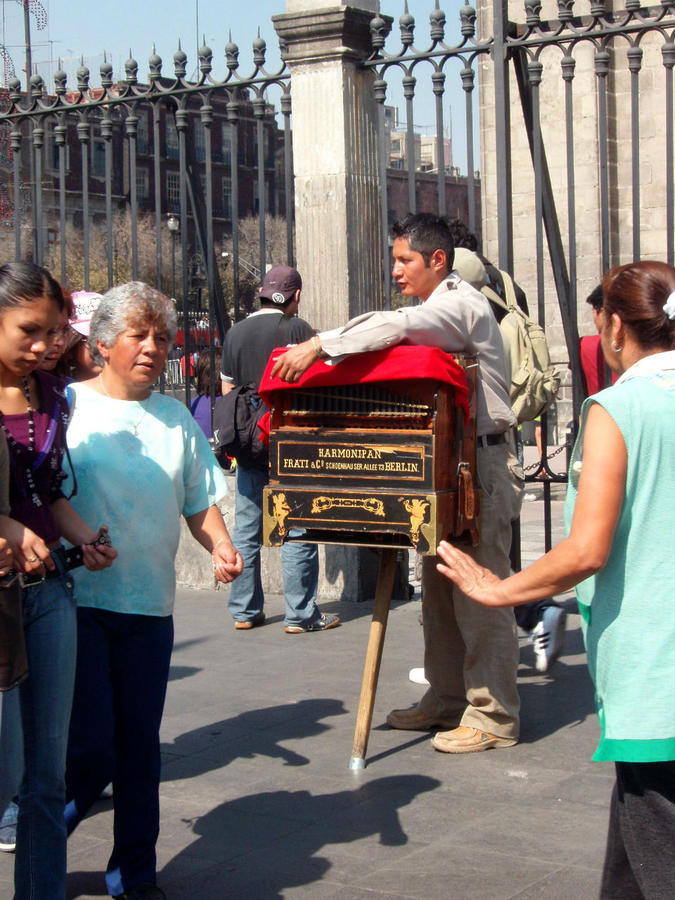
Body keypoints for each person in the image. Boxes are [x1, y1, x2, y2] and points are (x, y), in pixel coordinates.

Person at [435, 260, 675, 895]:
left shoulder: (619, 409)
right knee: (634, 847)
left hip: (657, 676)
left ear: (617, 326)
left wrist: (498, 590)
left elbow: (587, 550)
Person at [272, 214, 522, 753]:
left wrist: (319, 344)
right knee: (438, 592)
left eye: (404, 259)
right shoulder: (437, 306)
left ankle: (494, 715)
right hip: (446, 466)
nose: (395, 270)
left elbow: (397, 326)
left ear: (438, 261)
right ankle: (448, 698)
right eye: (394, 259)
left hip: (478, 468)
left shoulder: (461, 303)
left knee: (480, 595)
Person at [63, 281, 243, 900]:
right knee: (89, 747)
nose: (152, 348)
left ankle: (134, 876)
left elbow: (198, 500)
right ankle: (41, 843)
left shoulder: (173, 417)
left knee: (139, 748)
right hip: (76, 605)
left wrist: (219, 544)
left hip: (148, 608)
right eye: (138, 335)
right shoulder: (65, 408)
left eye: (161, 337)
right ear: (103, 342)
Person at [0, 261, 117, 899]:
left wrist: (85, 540)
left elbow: (49, 496)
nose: (43, 346)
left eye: (53, 333)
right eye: (28, 331)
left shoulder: (51, 396)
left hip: (48, 598)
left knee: (46, 775)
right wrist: (9, 529)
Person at [451, 243, 567, 674]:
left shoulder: (464, 292)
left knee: (479, 558)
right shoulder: (505, 287)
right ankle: (530, 613)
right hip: (504, 433)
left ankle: (530, 616)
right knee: (495, 550)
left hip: (475, 441)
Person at [220, 265, 339, 633]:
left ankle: (244, 611)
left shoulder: (235, 333)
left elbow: (228, 393)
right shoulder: (298, 330)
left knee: (246, 528)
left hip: (248, 444)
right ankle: (300, 614)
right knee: (297, 525)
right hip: (290, 441)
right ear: (296, 296)